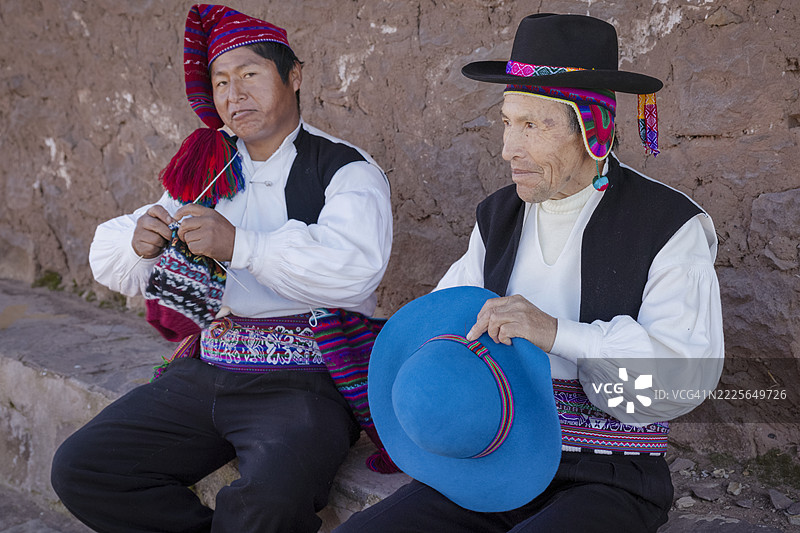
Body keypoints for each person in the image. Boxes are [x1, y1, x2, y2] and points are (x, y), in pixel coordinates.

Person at [336, 13, 723, 533]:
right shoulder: (498, 217)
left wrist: (559, 335)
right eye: (506, 122)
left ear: (594, 130)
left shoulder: (668, 226)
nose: (507, 150)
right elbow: (443, 320)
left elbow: (683, 378)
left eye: (533, 126)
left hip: (606, 473)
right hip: (492, 458)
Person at [51, 4, 392, 533]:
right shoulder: (208, 167)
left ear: (294, 76)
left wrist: (243, 246)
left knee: (267, 504)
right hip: (208, 369)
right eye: (222, 82)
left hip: (305, 382)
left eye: (251, 75)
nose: (235, 95)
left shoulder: (346, 170)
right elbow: (116, 255)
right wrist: (138, 243)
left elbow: (356, 270)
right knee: (85, 468)